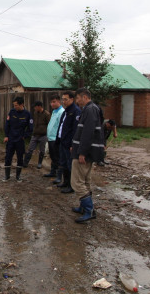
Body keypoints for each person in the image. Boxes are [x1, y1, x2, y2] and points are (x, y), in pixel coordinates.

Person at [70, 88, 105, 223]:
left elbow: (88, 133)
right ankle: (83, 207)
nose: (77, 101)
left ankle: (89, 210)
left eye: (78, 98)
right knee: (84, 180)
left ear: (84, 97)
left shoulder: (90, 110)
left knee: (77, 182)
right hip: (86, 151)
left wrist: (82, 152)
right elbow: (83, 131)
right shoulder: (91, 109)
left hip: (85, 152)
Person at [55, 91, 81, 193]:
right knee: (63, 163)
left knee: (70, 165)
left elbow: (75, 130)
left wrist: (72, 144)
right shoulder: (66, 111)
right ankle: (65, 182)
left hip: (69, 143)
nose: (63, 101)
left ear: (72, 99)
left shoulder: (76, 111)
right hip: (62, 141)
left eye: (66, 99)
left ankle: (71, 186)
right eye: (63, 99)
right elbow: (61, 126)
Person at [3, 96, 33, 182]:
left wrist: (25, 136)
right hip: (11, 139)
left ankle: (18, 176)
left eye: (16, 105)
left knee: (20, 158)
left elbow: (30, 128)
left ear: (22, 104)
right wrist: (6, 136)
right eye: (14, 105)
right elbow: (7, 125)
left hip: (20, 140)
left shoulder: (27, 114)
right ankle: (7, 176)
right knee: (8, 157)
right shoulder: (12, 112)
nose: (15, 107)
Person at [23, 101, 51, 169]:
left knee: (42, 150)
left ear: (39, 106)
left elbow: (49, 124)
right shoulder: (35, 113)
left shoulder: (46, 114)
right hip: (35, 135)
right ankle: (25, 162)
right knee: (30, 149)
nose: (34, 108)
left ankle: (39, 163)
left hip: (43, 135)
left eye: (35, 107)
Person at [44, 94, 65, 178]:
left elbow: (61, 126)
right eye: (51, 102)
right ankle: (53, 172)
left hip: (56, 139)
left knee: (57, 157)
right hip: (51, 138)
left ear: (59, 101)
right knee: (52, 156)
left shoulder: (61, 112)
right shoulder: (54, 111)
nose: (52, 104)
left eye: (54, 102)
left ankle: (59, 176)